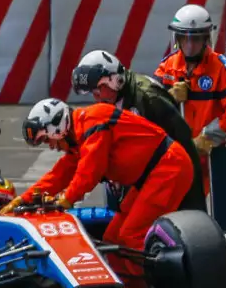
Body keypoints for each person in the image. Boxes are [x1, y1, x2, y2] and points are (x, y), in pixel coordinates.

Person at [4, 97, 195, 288]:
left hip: (168, 167)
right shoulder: (78, 140)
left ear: (56, 127)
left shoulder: (94, 120)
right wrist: (18, 202)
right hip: (152, 175)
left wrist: (65, 200)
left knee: (129, 236)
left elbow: (89, 172)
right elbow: (58, 176)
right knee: (113, 239)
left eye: (47, 140)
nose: (51, 146)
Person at [71, 49, 206, 213]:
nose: (97, 98)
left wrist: (192, 204)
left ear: (115, 81)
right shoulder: (114, 100)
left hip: (165, 178)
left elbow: (183, 144)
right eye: (93, 93)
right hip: (138, 179)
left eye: (99, 90)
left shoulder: (148, 99)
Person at [153, 4, 226, 195]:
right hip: (172, 155)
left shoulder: (221, 69)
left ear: (206, 39)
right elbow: (149, 107)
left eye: (197, 39)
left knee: (201, 210)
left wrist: (208, 137)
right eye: (186, 39)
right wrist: (169, 98)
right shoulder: (167, 67)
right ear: (178, 39)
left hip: (206, 155)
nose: (190, 46)